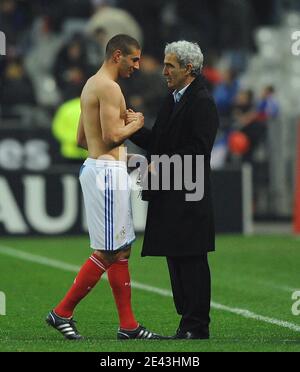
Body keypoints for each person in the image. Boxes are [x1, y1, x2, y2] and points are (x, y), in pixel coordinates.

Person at [46, 34, 165, 340]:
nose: (137, 66)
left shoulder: (90, 85)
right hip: (107, 174)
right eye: (133, 59)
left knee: (121, 249)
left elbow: (81, 140)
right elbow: (113, 136)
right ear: (117, 56)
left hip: (100, 169)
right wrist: (136, 124)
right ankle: (62, 313)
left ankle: (128, 327)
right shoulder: (110, 88)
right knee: (110, 250)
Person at [129, 41, 219, 339]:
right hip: (171, 193)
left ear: (188, 69)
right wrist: (133, 129)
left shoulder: (202, 102)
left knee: (191, 258)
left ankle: (197, 325)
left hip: (190, 194)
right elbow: (161, 142)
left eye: (170, 66)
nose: (164, 71)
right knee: (176, 258)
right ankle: (187, 323)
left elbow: (198, 149)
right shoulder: (174, 99)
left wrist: (162, 165)